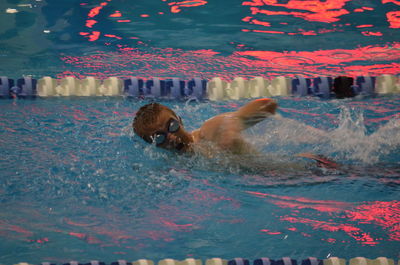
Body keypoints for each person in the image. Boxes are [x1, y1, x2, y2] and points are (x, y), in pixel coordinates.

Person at [132, 98, 278, 156]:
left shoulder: (208, 133)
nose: (171, 136)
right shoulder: (173, 166)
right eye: (159, 137)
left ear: (180, 121)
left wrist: (232, 124)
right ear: (152, 145)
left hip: (283, 172)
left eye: (172, 125)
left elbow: (268, 106)